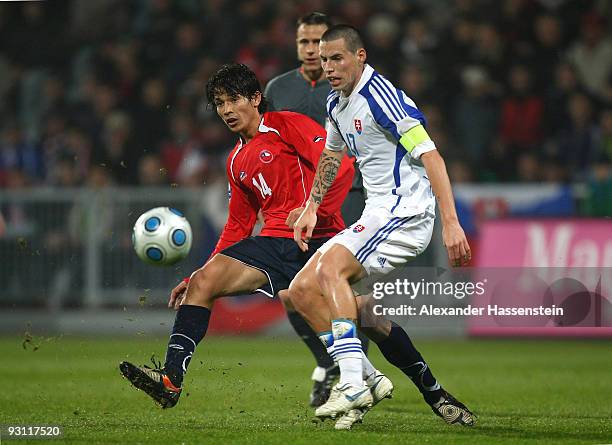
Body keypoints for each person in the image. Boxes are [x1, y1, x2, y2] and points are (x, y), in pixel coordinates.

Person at [118, 63, 393, 412]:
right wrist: (195, 273)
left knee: (365, 314)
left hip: (316, 239)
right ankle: (171, 380)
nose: (227, 110)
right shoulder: (235, 160)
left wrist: (313, 210)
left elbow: (341, 166)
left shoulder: (286, 124)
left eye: (234, 100)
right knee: (203, 283)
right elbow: (237, 225)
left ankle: (407, 384)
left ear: (255, 98)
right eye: (219, 103)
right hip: (274, 245)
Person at [287, 25, 475, 427]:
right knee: (303, 292)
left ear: (360, 56)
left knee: (331, 270)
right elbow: (332, 157)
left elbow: (432, 158)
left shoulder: (381, 97)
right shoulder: (337, 105)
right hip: (377, 213)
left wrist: (451, 224)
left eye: (337, 58)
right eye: (324, 60)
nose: (330, 67)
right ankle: (395, 384)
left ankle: (353, 381)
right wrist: (310, 208)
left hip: (407, 212)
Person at [264, 11, 369, 407]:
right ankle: (329, 363)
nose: (311, 51)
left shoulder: (349, 84)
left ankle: (353, 376)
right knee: (292, 292)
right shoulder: (278, 89)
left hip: (351, 196)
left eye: (318, 43)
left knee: (349, 291)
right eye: (303, 43)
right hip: (297, 206)